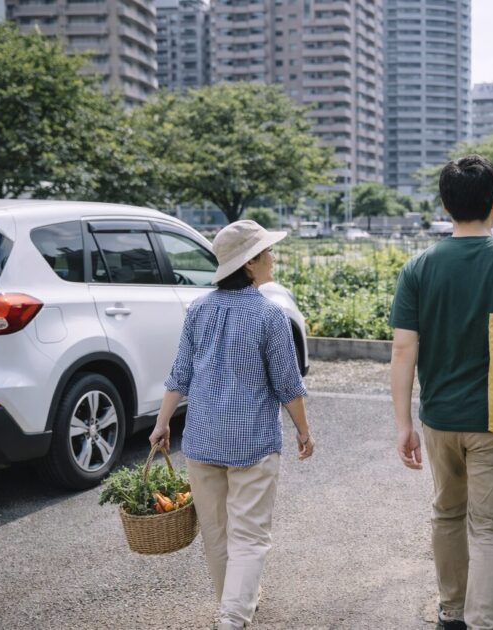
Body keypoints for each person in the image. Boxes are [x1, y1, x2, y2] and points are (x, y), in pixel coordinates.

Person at [389, 155, 493, 630]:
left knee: (447, 514)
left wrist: (405, 425)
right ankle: (485, 622)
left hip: (439, 419)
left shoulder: (418, 267)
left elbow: (403, 352)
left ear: (445, 205)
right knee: (492, 527)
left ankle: (451, 611)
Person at [149, 220, 314, 630]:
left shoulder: (200, 310)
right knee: (250, 536)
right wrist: (304, 431)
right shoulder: (269, 317)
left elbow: (179, 373)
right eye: (267, 252)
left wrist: (162, 422)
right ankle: (233, 617)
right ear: (250, 263)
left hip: (202, 441)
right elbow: (288, 386)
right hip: (252, 445)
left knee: (217, 535)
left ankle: (234, 605)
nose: (273, 257)